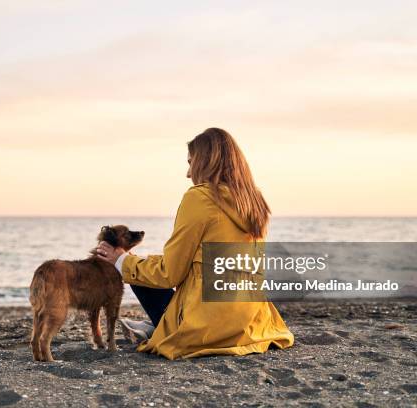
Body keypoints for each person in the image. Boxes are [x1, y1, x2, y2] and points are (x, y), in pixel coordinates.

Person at [95, 128, 294, 360]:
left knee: (136, 269)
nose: (188, 173)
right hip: (250, 322)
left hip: (208, 326)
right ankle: (155, 327)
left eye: (191, 162)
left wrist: (121, 260)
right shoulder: (253, 201)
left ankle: (159, 329)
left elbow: (169, 274)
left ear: (206, 162)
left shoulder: (199, 198)